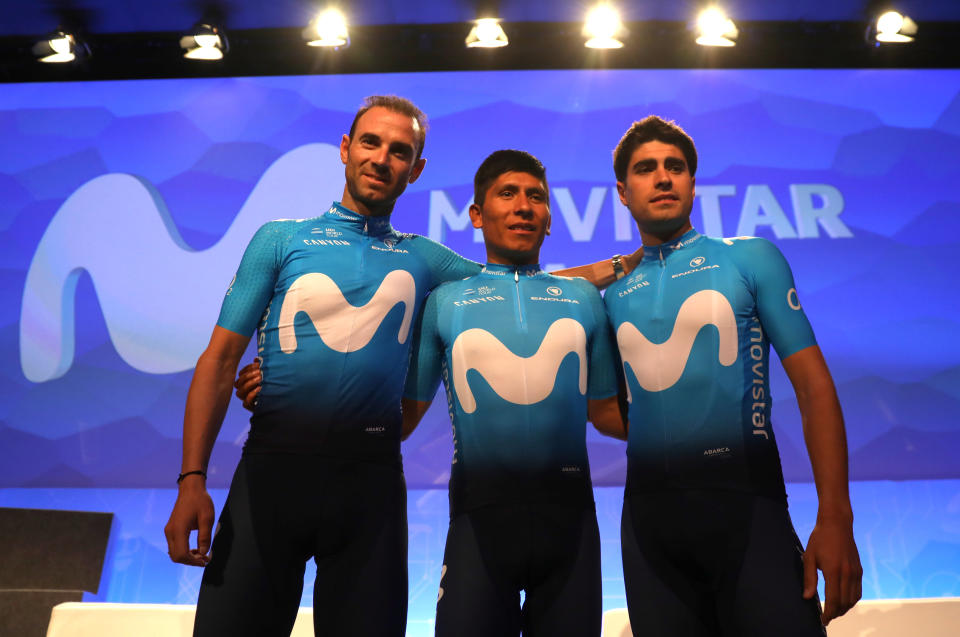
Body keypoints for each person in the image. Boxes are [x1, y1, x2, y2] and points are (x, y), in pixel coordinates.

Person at [164, 96, 638, 637]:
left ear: (415, 169)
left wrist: (630, 262)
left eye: (399, 151)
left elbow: (518, 283)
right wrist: (191, 480)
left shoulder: (424, 258)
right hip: (270, 476)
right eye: (370, 143)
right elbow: (220, 359)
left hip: (370, 491)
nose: (381, 159)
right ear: (346, 149)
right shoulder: (280, 239)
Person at [603, 116, 862, 636]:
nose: (663, 178)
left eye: (675, 167)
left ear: (693, 185)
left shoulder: (749, 258)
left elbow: (814, 389)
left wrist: (836, 517)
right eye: (646, 169)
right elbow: (609, 414)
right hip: (651, 531)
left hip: (749, 512)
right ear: (623, 192)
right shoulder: (611, 296)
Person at [401, 150, 627, 636]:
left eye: (536, 197)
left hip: (572, 530)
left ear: (549, 219)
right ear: (477, 215)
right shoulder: (442, 303)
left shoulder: (585, 299)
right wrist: (279, 395)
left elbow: (609, 414)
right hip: (477, 527)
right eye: (507, 194)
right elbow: (399, 420)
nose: (524, 206)